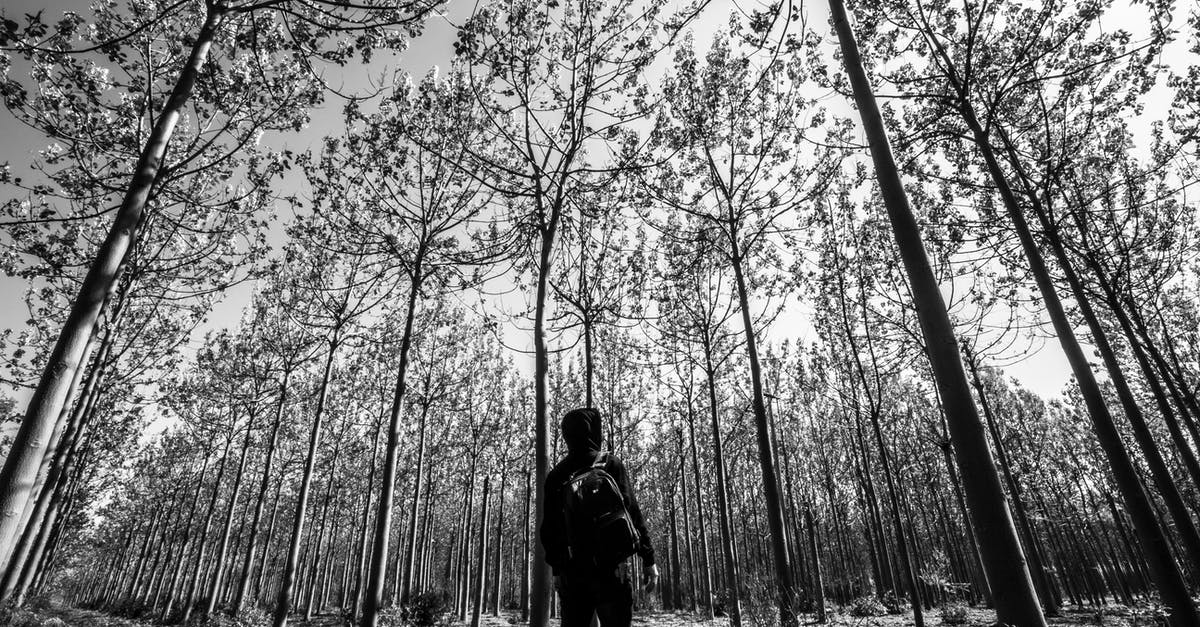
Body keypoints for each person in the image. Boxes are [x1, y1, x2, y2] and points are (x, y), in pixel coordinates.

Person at [539, 407, 658, 627]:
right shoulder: (611, 464)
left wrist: (557, 570)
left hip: (573, 575)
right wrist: (648, 560)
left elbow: (549, 530)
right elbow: (633, 514)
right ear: (594, 431)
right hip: (612, 571)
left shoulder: (557, 475)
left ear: (567, 435)